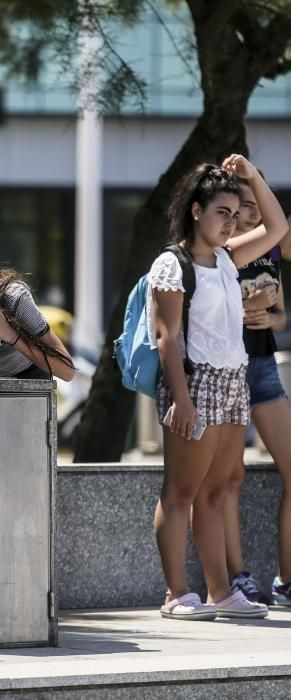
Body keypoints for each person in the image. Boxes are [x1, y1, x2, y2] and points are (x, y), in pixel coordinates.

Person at [149, 154, 288, 620]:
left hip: (233, 381)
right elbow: (166, 337)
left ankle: (219, 592)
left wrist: (249, 176)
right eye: (221, 213)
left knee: (218, 488)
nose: (229, 224)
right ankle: (176, 594)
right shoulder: (173, 263)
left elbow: (276, 228)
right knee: (181, 491)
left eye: (234, 214)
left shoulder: (228, 259)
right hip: (194, 382)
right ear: (195, 210)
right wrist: (182, 400)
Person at [222, 179, 291, 607]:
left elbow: (280, 315)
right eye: (241, 206)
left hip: (264, 367)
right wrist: (243, 308)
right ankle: (238, 577)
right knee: (229, 478)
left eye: (255, 206)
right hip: (226, 370)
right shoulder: (219, 252)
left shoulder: (270, 249)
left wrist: (271, 319)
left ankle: (286, 580)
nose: (250, 214)